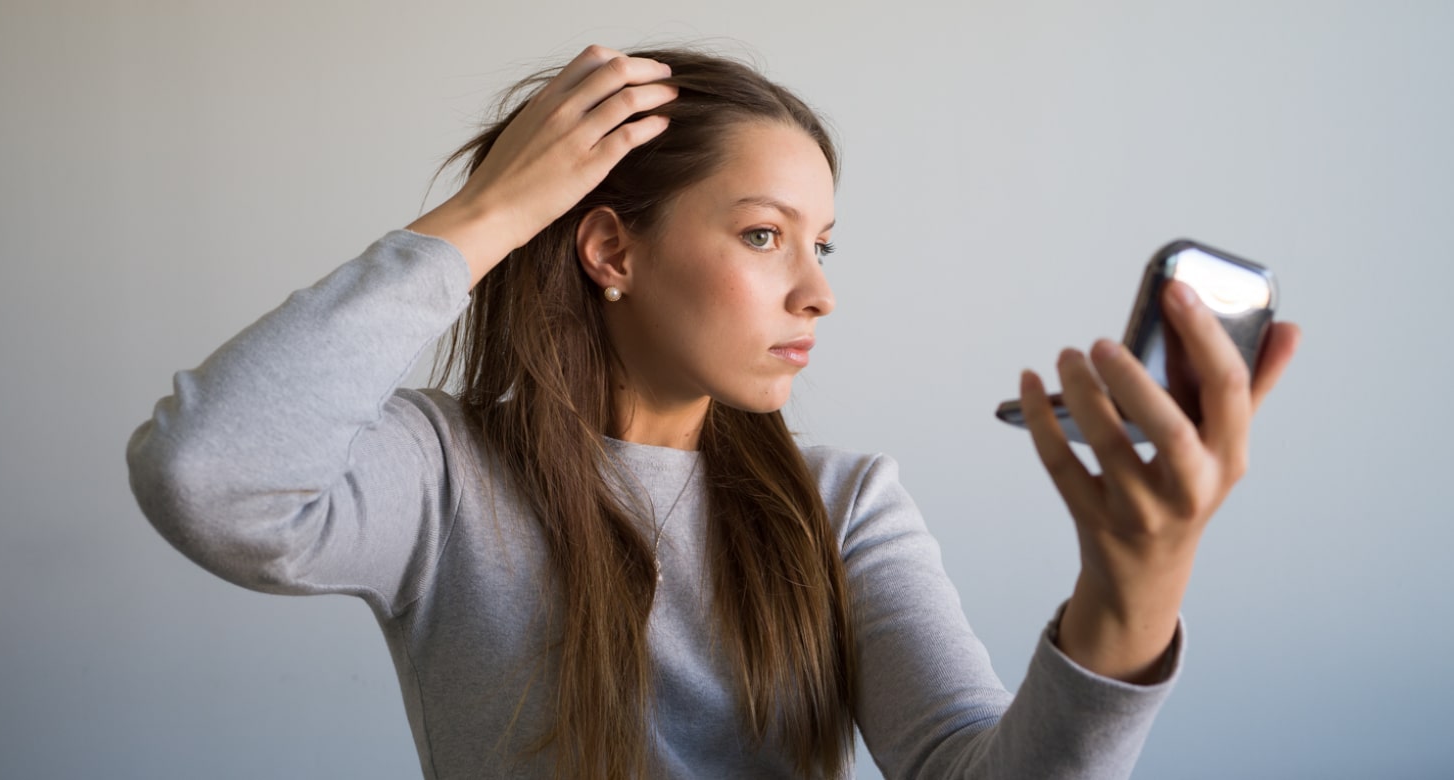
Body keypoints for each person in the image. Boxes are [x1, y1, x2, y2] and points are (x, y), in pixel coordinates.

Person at [125, 44, 1301, 779]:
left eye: (823, 243)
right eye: (761, 234)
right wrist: (487, 219)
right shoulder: (441, 476)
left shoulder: (843, 504)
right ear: (607, 246)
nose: (819, 291)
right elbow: (211, 478)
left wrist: (1131, 594)